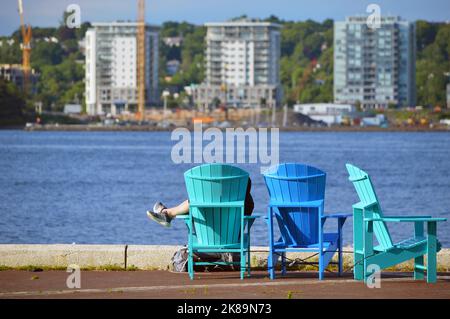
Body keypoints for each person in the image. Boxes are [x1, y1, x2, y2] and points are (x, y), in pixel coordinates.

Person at [147, 178, 254, 227]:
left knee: (195, 203)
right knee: (198, 204)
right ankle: (167, 214)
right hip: (233, 240)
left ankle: (167, 213)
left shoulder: (218, 203)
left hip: (206, 238)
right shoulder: (249, 204)